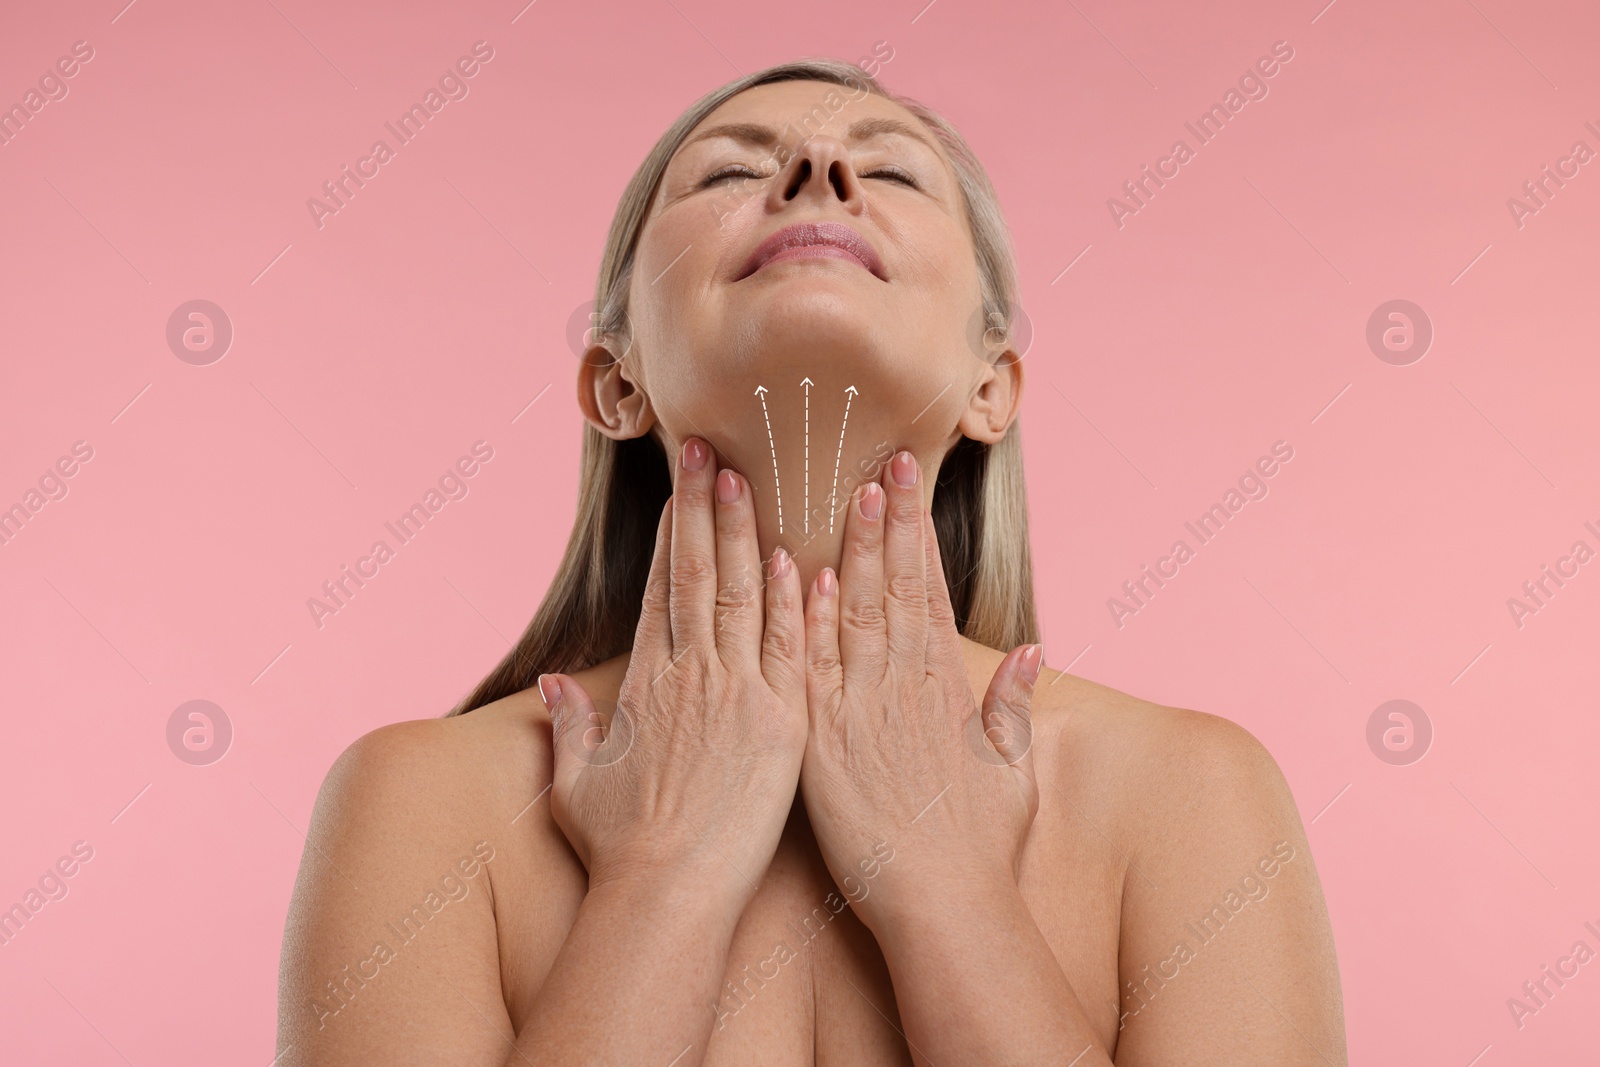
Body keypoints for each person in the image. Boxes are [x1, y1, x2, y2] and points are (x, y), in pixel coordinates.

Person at [275, 58, 1347, 1065]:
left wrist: (948, 881)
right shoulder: (417, 803)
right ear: (616, 382)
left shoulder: (1191, 795)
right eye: (734, 169)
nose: (816, 174)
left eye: (887, 170)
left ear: (993, 386)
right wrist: (660, 876)